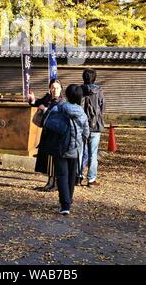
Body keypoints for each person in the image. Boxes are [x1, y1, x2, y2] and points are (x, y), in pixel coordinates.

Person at [52, 84, 89, 215]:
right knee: (71, 176)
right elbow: (86, 133)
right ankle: (68, 201)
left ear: (67, 95)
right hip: (75, 149)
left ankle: (65, 204)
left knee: (62, 175)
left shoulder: (59, 108)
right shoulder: (82, 113)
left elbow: (49, 124)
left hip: (60, 146)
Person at [28, 79, 65, 191]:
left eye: (57, 88)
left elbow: (57, 116)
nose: (55, 90)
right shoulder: (48, 98)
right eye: (53, 87)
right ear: (50, 88)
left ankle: (55, 184)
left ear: (61, 89)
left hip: (56, 135)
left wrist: (45, 110)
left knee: (53, 160)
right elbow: (38, 103)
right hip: (46, 133)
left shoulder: (62, 101)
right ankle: (50, 182)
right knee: (47, 159)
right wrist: (33, 100)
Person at [81, 68, 105, 187]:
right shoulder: (99, 90)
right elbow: (102, 106)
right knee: (93, 153)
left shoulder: (80, 90)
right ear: (94, 78)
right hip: (95, 126)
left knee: (80, 151)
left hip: (81, 125)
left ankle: (78, 176)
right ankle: (91, 179)